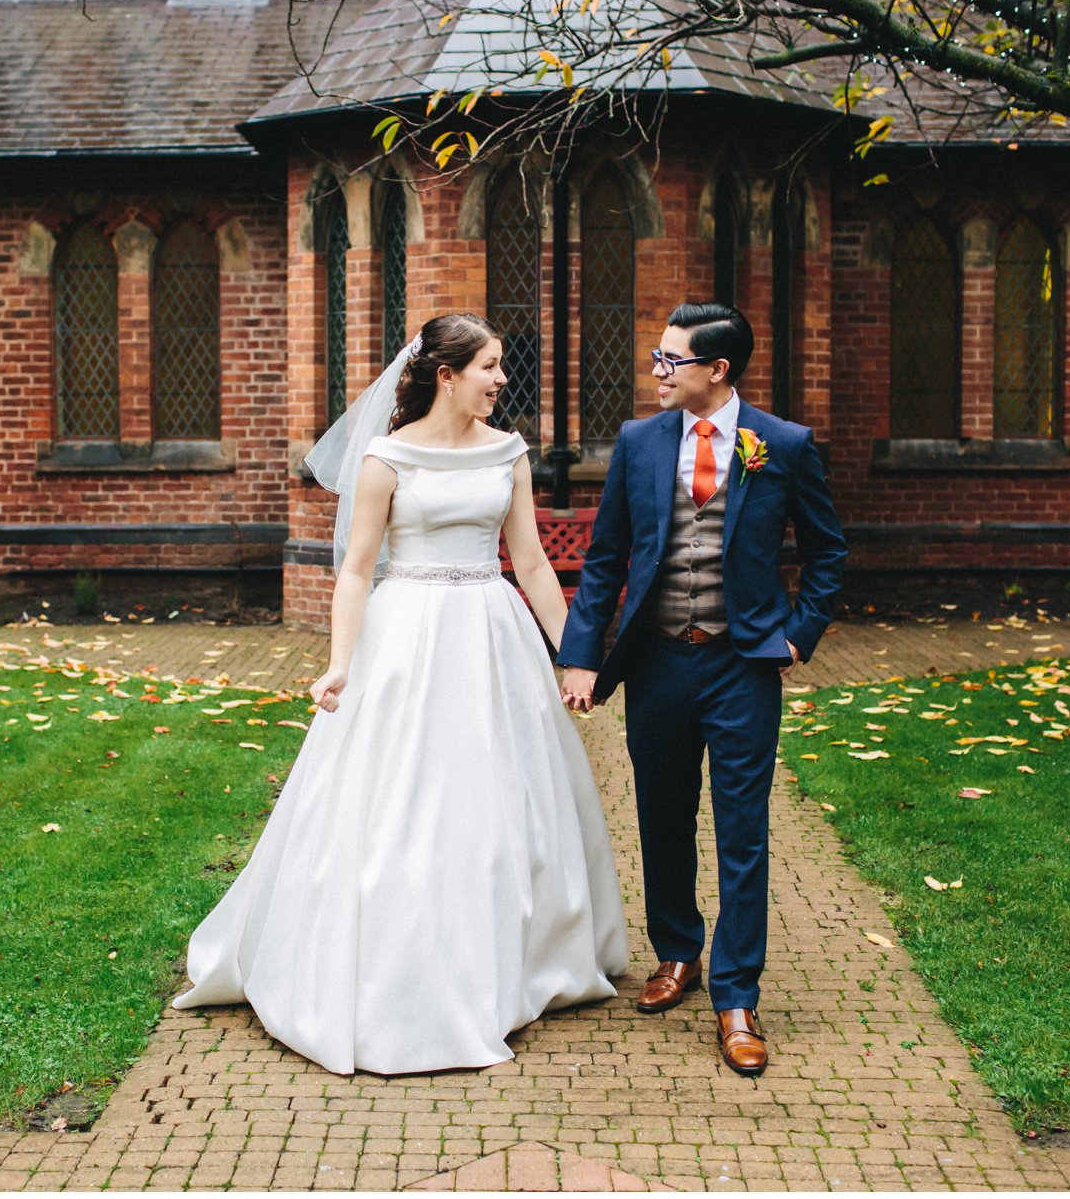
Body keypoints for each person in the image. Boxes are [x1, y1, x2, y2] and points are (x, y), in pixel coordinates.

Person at [171, 312, 628, 1076]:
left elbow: (535, 565)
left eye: (500, 366)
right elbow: (355, 570)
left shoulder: (508, 453)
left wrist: (580, 653)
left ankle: (512, 959)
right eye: (488, 366)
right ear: (446, 375)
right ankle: (390, 964)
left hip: (491, 633)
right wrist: (341, 662)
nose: (501, 380)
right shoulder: (386, 458)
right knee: (398, 800)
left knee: (498, 796)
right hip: (406, 635)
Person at [557, 301, 846, 1077]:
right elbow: (607, 557)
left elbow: (828, 552)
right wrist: (581, 655)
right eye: (656, 357)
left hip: (743, 664)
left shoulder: (781, 445)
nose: (656, 372)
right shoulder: (639, 443)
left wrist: (798, 633)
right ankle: (677, 953)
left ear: (717, 370)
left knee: (743, 833)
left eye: (670, 361)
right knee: (662, 816)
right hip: (657, 662)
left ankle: (737, 996)